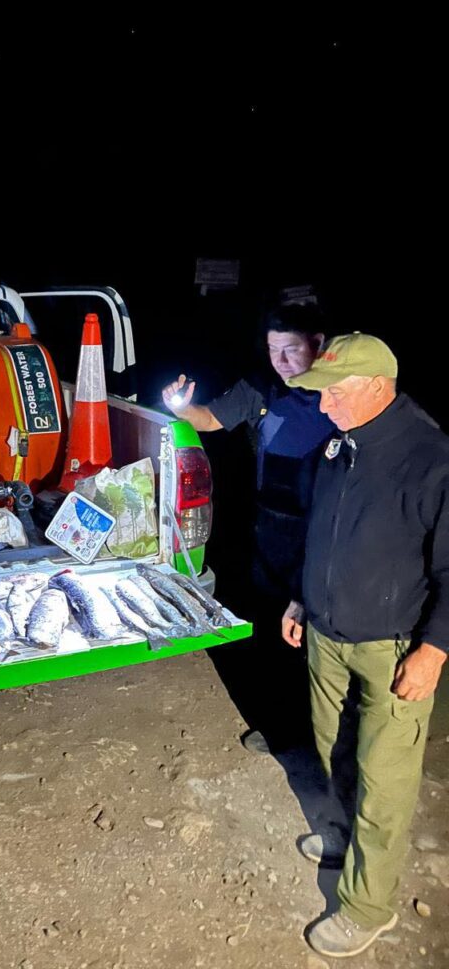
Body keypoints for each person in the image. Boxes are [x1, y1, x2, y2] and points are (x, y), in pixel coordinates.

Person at [280, 332, 448, 959]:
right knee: (334, 747)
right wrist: (301, 598)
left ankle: (367, 906)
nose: (323, 405)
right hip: (326, 632)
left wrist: (433, 651)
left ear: (379, 386)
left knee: (386, 779)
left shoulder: (431, 458)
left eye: (334, 393)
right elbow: (321, 532)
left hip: (394, 646)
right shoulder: (338, 445)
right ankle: (343, 835)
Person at [162, 303, 334, 751]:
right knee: (274, 628)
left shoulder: (339, 394)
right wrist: (180, 406)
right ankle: (286, 728)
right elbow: (210, 419)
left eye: (291, 349)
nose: (281, 362)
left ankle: (329, 733)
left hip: (325, 528)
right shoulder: (262, 386)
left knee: (322, 633)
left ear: (318, 344)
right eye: (274, 350)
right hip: (272, 527)